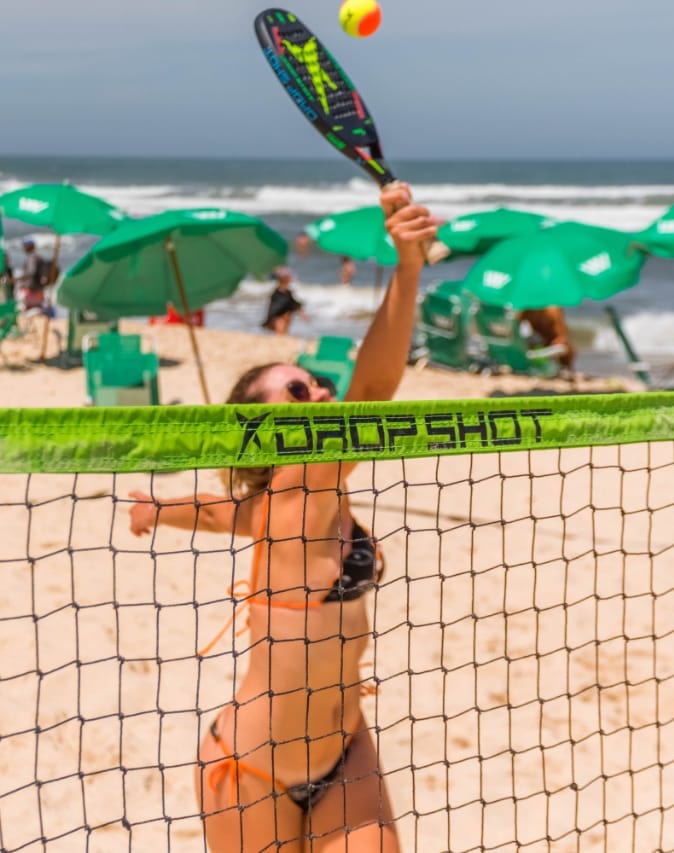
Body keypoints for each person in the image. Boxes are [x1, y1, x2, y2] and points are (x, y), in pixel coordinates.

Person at [127, 185, 436, 850]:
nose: (321, 392)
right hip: (252, 770)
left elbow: (227, 513)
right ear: (265, 432)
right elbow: (375, 390)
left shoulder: (288, 504)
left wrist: (160, 509)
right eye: (299, 392)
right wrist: (407, 270)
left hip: (344, 749)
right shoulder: (302, 483)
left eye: (316, 383)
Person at [518, 305, 576, 371]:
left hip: (552, 351)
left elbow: (563, 341)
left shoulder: (552, 311)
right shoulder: (526, 310)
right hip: (541, 350)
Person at [261, 267, 307, 335]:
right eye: (289, 277)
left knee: (283, 333)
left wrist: (301, 313)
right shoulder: (279, 293)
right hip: (279, 317)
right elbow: (288, 305)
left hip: (283, 317)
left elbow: (293, 304)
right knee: (281, 332)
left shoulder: (286, 292)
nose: (290, 278)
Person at [17, 237, 49, 311]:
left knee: (29, 310)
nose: (23, 247)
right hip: (39, 288)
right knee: (38, 310)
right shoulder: (39, 257)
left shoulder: (31, 258)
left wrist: (20, 280)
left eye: (24, 245)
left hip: (32, 289)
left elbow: (31, 272)